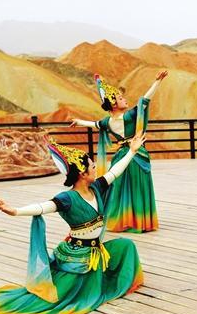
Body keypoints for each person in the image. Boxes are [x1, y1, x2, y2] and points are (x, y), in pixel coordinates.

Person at [0, 134, 146, 314]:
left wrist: (132, 152)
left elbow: (115, 172)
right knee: (61, 296)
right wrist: (15, 211)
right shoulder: (67, 198)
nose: (96, 169)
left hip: (95, 251)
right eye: (92, 167)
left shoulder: (96, 188)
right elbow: (43, 207)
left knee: (126, 246)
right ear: (82, 173)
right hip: (78, 256)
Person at [71, 70, 168, 232]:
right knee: (137, 187)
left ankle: (120, 219)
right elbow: (145, 100)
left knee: (119, 188)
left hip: (121, 156)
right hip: (136, 154)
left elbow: (94, 124)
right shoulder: (129, 117)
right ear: (114, 104)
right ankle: (139, 221)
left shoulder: (107, 122)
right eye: (121, 98)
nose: (125, 99)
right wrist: (157, 81)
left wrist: (79, 121)